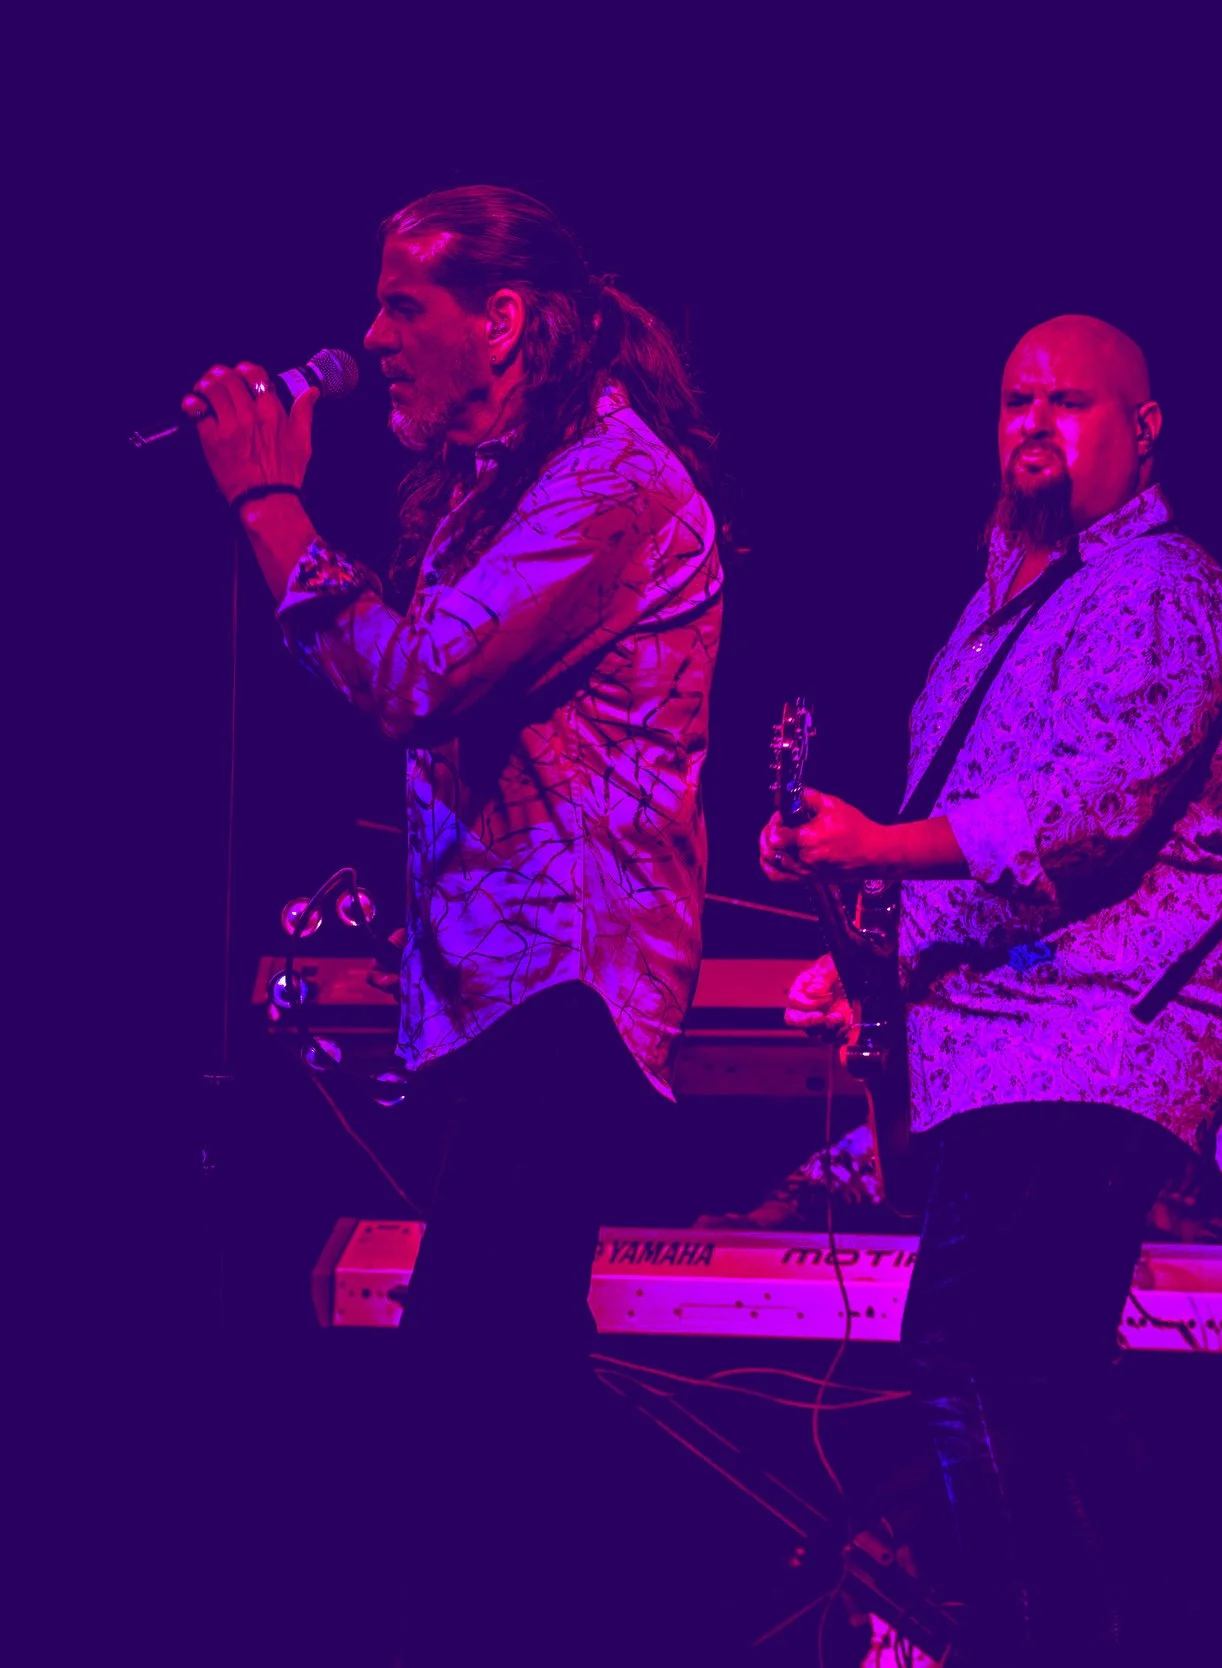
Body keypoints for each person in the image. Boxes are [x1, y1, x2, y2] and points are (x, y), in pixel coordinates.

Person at [186, 184, 723, 1660]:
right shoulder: (506, 485)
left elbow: (418, 678)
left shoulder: (611, 481)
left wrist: (270, 505)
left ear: (502, 320)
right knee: (503, 1388)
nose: (370, 337)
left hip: (570, 998)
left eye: (402, 304)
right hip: (499, 1001)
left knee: (473, 1384)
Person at [766, 314, 1222, 1663]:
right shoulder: (1000, 601)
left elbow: (1083, 814)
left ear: (1144, 431)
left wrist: (878, 846)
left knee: (977, 1353)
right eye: (1014, 401)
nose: (1033, 425)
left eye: (1068, 403)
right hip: (996, 1050)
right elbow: (971, 844)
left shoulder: (1157, 587)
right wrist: (870, 947)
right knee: (1035, 1382)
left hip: (1096, 1037)